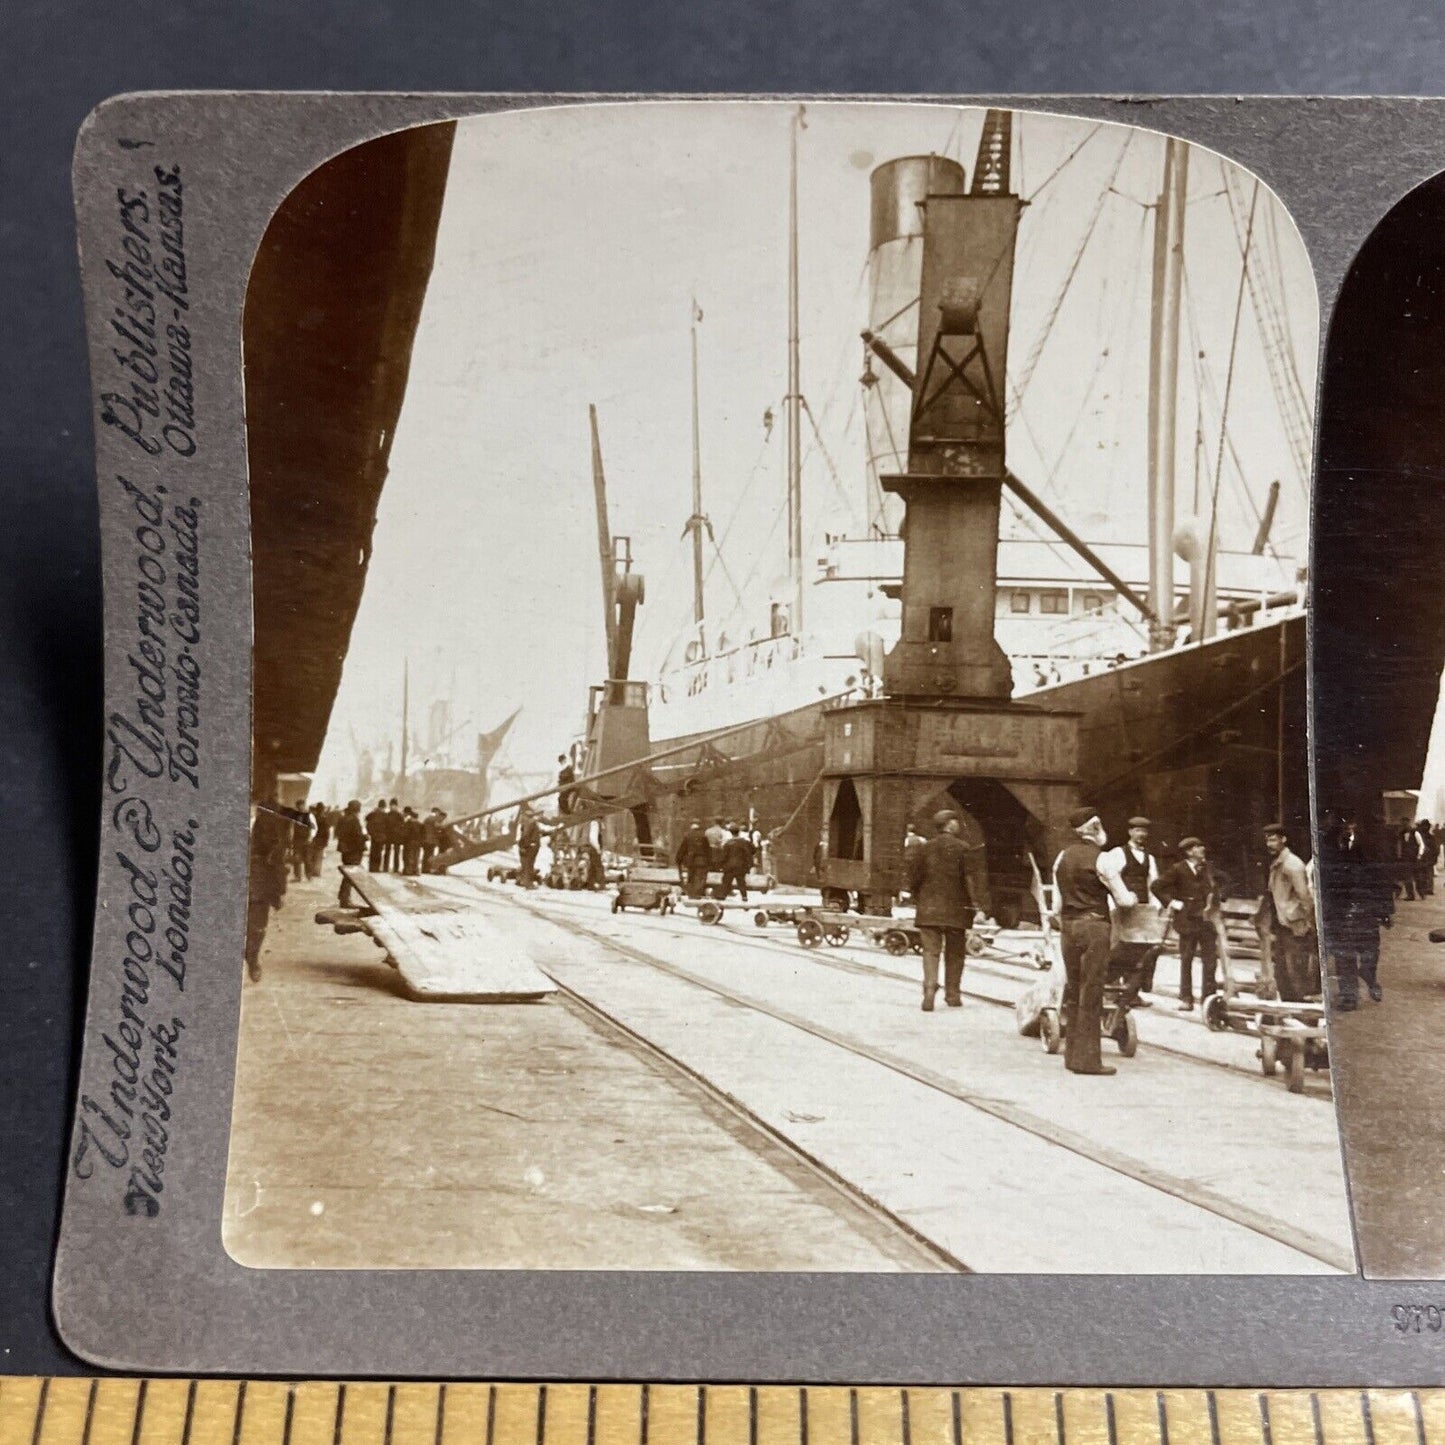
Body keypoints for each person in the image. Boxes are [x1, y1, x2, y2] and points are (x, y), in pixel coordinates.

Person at [1051, 806, 1117, 1075]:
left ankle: (1072, 1057)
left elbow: (1056, 905)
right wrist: (1131, 900)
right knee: (1092, 992)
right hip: (1095, 927)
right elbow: (1122, 898)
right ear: (1095, 827)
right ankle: (1089, 1062)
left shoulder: (1061, 858)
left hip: (1069, 928)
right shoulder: (1104, 859)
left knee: (1074, 989)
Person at [904, 809, 978, 1012]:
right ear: (948, 825)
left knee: (930, 951)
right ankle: (953, 995)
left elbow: (915, 877)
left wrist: (917, 897)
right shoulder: (963, 848)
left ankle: (929, 989)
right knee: (955, 954)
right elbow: (969, 880)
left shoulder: (924, 848)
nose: (957, 824)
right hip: (956, 910)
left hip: (929, 909)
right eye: (954, 821)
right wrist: (974, 905)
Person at [1320, 811, 1392, 1009]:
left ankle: (1369, 975)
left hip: (1365, 906)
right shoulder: (1328, 844)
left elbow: (1383, 878)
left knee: (1369, 950)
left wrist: (1385, 911)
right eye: (1342, 823)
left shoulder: (1372, 846)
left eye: (1350, 823)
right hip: (1340, 908)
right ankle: (1349, 996)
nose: (1347, 827)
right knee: (1344, 952)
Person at [1098, 815, 1165, 1009]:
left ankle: (1132, 993)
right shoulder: (1118, 853)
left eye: (1144, 831)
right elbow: (1110, 879)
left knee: (1139, 951)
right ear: (1130, 832)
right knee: (1118, 949)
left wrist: (1155, 905)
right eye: (1137, 830)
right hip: (1122, 909)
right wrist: (1114, 904)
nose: (1141, 834)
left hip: (1142, 910)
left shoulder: (1149, 858)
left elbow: (1153, 883)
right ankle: (1109, 989)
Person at [1152, 836, 1221, 1010]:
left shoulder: (1208, 868)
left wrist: (1217, 898)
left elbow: (1226, 882)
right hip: (1187, 921)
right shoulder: (1178, 869)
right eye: (1198, 847)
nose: (1202, 849)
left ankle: (1208, 998)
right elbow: (1156, 886)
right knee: (1187, 959)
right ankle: (1186, 998)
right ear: (1189, 852)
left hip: (1206, 921)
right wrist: (1172, 902)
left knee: (1210, 960)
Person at [1262, 822, 1319, 1001]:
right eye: (1267, 841)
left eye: (1273, 840)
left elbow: (1305, 897)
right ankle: (1290, 1006)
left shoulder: (1292, 864)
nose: (1269, 845)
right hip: (1282, 924)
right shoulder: (1278, 863)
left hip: (1295, 925)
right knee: (1282, 972)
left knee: (1296, 971)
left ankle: (1304, 1012)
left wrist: (1309, 923)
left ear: (1283, 840)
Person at [245, 797, 291, 983]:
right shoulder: (270, 828)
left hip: (253, 883)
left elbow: (277, 862)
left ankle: (251, 959)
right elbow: (278, 864)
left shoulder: (265, 825)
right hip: (254, 883)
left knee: (254, 926)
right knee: (256, 926)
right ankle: (252, 959)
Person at [335, 800, 367, 907]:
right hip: (354, 850)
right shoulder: (354, 820)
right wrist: (365, 838)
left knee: (347, 874)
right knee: (350, 875)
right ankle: (345, 899)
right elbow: (357, 836)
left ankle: (343, 896)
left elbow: (338, 833)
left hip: (345, 850)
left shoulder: (342, 818)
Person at [718, 825, 756, 902]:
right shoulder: (745, 842)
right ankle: (744, 896)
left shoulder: (728, 843)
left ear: (731, 833)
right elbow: (753, 850)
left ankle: (723, 895)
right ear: (739, 832)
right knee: (741, 881)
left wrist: (721, 865)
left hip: (729, 865)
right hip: (741, 865)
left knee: (726, 881)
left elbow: (723, 856)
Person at [675, 821, 712, 899]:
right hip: (702, 860)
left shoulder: (688, 836)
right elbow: (708, 850)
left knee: (691, 876)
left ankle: (691, 893)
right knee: (699, 877)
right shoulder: (704, 837)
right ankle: (697, 894)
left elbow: (683, 849)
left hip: (690, 860)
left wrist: (678, 859)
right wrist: (709, 861)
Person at [517, 806, 542, 888]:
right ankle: (528, 884)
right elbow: (526, 836)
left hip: (527, 846)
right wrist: (524, 846)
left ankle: (521, 880)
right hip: (530, 847)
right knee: (529, 865)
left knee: (525, 865)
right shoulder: (531, 823)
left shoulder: (526, 823)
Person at [308, 802, 331, 879]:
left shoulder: (313, 818)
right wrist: (326, 841)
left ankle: (310, 870)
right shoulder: (324, 819)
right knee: (318, 856)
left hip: (313, 838)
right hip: (321, 839)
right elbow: (327, 832)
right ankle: (316, 872)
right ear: (322, 809)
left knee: (312, 855)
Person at [365, 799, 387, 872]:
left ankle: (371, 867)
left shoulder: (373, 813)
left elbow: (366, 818)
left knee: (373, 851)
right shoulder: (385, 815)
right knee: (379, 852)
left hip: (374, 835)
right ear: (384, 807)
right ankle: (376, 868)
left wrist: (370, 832)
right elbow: (388, 826)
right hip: (381, 836)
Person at [401, 806, 424, 876]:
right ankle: (416, 870)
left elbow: (405, 833)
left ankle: (408, 870)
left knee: (408, 856)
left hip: (409, 842)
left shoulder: (408, 823)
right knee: (416, 856)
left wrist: (403, 840)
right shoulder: (420, 824)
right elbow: (423, 834)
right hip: (418, 843)